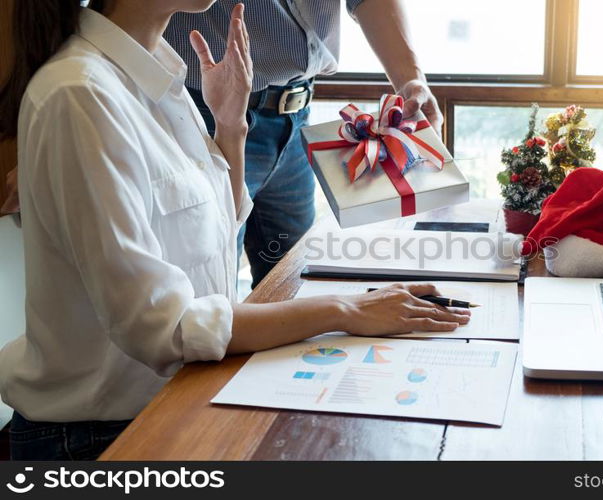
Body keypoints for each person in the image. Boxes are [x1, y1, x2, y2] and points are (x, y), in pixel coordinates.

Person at [0, 0, 468, 461]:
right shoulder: (79, 95)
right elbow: (162, 327)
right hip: (98, 438)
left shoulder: (156, 74)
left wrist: (230, 126)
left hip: (176, 399)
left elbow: (213, 245)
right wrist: (347, 309)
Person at [164, 0, 443, 288]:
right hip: (203, 110)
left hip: (296, 120)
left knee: (292, 284)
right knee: (209, 290)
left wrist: (410, 80)